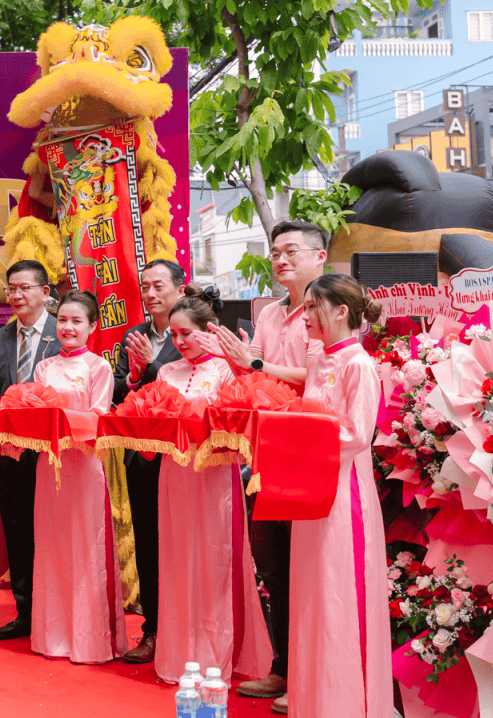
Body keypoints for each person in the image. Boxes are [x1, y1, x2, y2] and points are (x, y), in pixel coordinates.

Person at [204, 220, 328, 710]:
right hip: (266, 452)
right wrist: (229, 357)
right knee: (273, 564)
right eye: (275, 253)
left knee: (308, 569)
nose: (281, 260)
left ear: (320, 257)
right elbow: (250, 366)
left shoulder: (330, 307)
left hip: (309, 453)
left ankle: (312, 674)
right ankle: (283, 667)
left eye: (291, 251)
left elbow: (317, 374)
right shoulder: (272, 313)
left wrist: (255, 365)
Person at [153, 286, 272, 687]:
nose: (179, 341)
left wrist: (230, 359)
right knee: (177, 561)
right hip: (174, 475)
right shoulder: (166, 372)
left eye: (186, 333)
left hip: (215, 476)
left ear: (208, 331)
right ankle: (179, 655)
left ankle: (216, 656)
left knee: (214, 562)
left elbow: (242, 413)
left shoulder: (225, 370)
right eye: (173, 335)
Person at [292, 274, 390, 718]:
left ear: (341, 311)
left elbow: (357, 435)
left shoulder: (359, 365)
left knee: (341, 595)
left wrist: (297, 437)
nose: (306, 316)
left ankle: (346, 705)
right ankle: (313, 702)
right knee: (312, 595)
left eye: (313, 307)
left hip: (343, 493)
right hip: (308, 489)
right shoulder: (318, 362)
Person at [30, 291, 126, 663]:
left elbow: (98, 416)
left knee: (87, 544)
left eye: (76, 321)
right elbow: (36, 412)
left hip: (85, 464)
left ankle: (90, 639)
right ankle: (54, 636)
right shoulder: (44, 367)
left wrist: (59, 421)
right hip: (51, 464)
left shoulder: (99, 367)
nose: (67, 327)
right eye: (63, 320)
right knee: (52, 543)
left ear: (92, 326)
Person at [111, 259, 186, 663]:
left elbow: (186, 386)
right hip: (140, 456)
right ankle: (153, 630)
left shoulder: (194, 331)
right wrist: (134, 377)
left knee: (184, 543)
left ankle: (187, 629)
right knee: (148, 541)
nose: (151, 293)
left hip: (181, 458)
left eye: (159, 285)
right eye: (145, 286)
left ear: (179, 289)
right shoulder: (134, 335)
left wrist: (151, 368)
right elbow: (121, 394)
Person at [0, 260, 60, 640]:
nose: (16, 295)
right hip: (9, 453)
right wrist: (10, 413)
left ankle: (56, 614)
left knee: (55, 533)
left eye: (24, 288)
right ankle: (25, 613)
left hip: (52, 455)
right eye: (11, 288)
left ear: (44, 292)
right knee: (17, 533)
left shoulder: (63, 332)